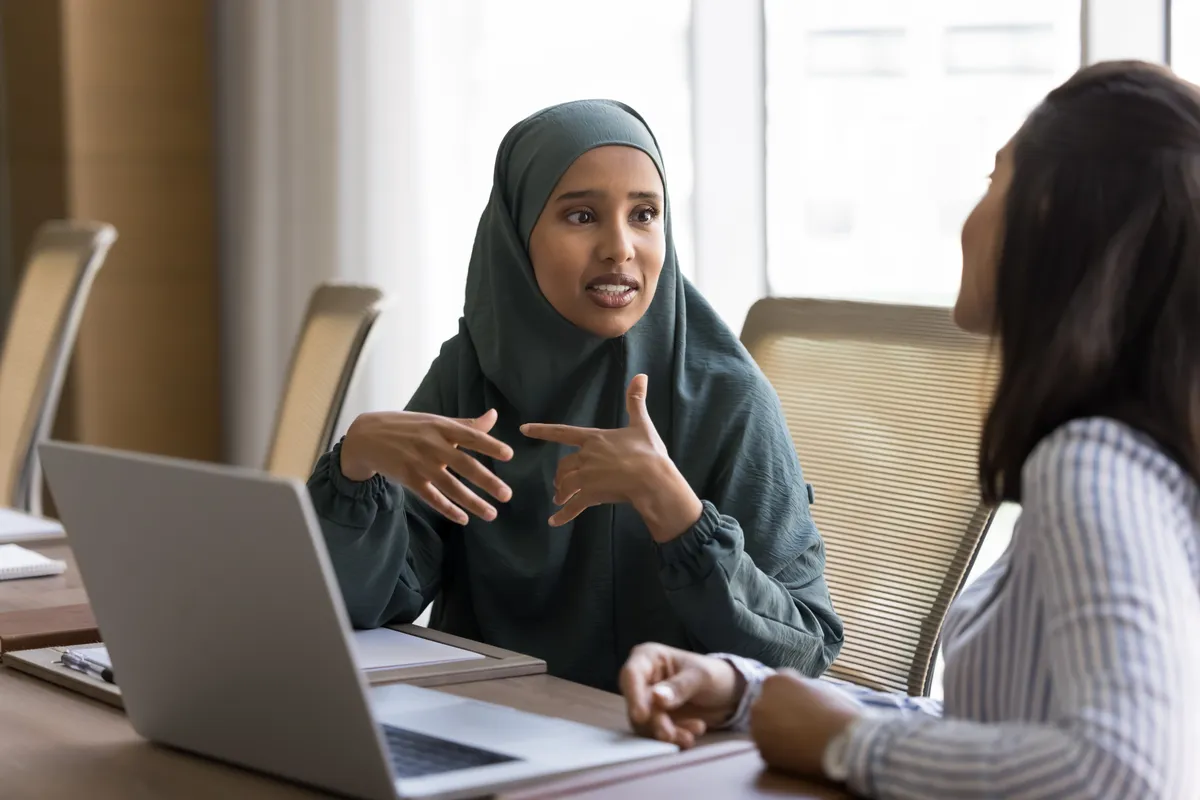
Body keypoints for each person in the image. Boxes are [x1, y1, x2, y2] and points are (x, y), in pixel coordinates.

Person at [618, 61, 1200, 798]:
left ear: (1048, 215)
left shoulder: (1092, 460)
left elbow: (1125, 774)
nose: (974, 213)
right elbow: (989, 730)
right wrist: (747, 693)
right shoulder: (1133, 456)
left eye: (996, 181)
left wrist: (850, 742)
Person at [306, 99, 844, 693]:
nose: (621, 247)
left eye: (645, 214)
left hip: (661, 745)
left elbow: (803, 651)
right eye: (582, 216)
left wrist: (674, 508)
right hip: (489, 724)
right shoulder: (470, 372)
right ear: (517, 233)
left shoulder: (727, 398)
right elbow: (367, 610)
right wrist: (355, 471)